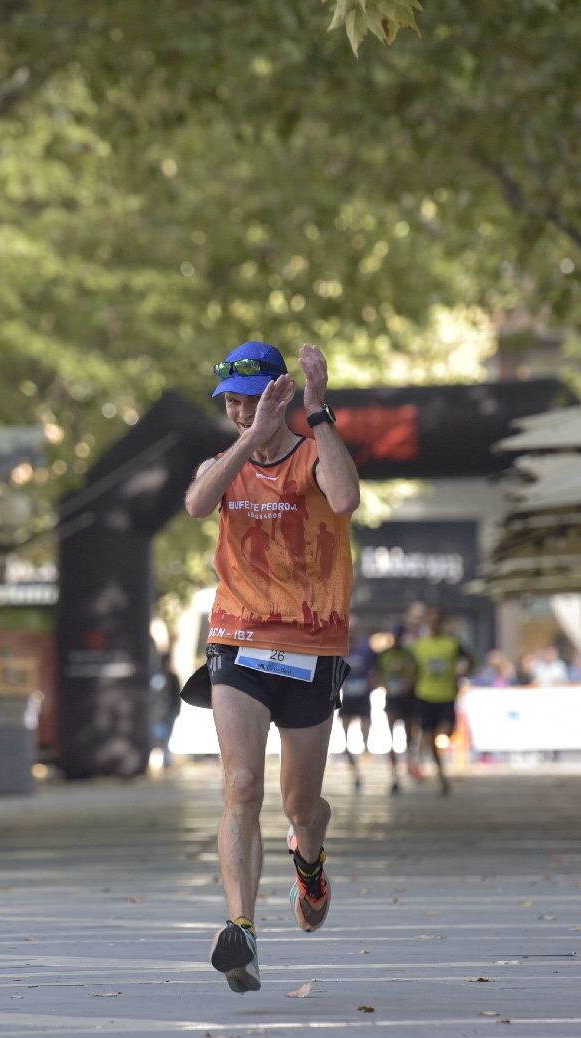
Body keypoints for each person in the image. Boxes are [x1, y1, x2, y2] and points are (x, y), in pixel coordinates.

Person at [179, 340, 359, 994]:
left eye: (249, 399)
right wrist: (247, 439)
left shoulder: (314, 452)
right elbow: (199, 503)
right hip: (238, 641)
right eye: (229, 400)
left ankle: (308, 860)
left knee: (299, 804)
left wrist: (319, 412)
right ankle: (241, 928)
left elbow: (343, 500)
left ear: (277, 395)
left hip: (311, 647)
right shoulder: (224, 463)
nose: (236, 410)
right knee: (242, 785)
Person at [409, 608, 470, 795]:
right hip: (425, 696)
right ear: (427, 623)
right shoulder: (419, 645)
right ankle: (441, 776)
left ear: (443, 623)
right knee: (430, 738)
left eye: (437, 620)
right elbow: (412, 668)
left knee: (445, 733)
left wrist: (462, 672)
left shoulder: (452, 644)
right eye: (431, 620)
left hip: (446, 696)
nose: (434, 624)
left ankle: (424, 763)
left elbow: (469, 659)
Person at [374, 624, 417, 792]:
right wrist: (384, 684)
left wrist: (408, 685)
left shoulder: (408, 655)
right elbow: (378, 673)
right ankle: (395, 774)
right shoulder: (384, 655)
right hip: (392, 698)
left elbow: (414, 673)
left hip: (407, 699)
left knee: (409, 736)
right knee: (391, 737)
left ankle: (409, 765)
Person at [338, 621, 377, 792]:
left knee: (365, 729)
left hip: (362, 696)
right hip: (347, 697)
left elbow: (374, 669)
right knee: (345, 734)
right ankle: (355, 771)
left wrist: (372, 682)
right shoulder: (339, 651)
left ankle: (365, 749)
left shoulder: (365, 650)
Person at [151, 657, 182, 775]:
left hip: (166, 712)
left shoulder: (162, 676)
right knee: (162, 737)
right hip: (161, 712)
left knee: (165, 737)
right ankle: (164, 760)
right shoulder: (164, 676)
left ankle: (165, 761)